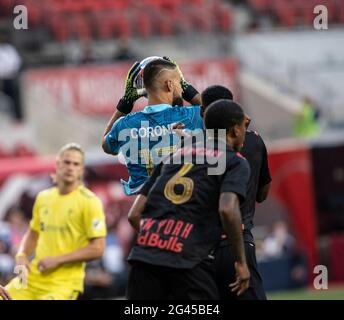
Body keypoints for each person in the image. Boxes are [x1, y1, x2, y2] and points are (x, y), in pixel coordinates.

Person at [126, 99, 250, 300]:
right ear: (235, 130)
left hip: (145, 257)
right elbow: (227, 209)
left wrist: (161, 240)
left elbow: (134, 215)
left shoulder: (174, 156)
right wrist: (241, 262)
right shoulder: (235, 162)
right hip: (188, 260)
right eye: (244, 127)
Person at [5, 143, 107, 300]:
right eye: (67, 162)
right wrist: (22, 254)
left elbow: (98, 249)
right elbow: (33, 232)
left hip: (63, 284)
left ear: (81, 169)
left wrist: (58, 260)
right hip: (32, 279)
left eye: (76, 164)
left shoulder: (90, 201)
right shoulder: (44, 197)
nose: (71, 168)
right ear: (58, 165)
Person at [200, 85, 272, 300]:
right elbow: (262, 194)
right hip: (239, 239)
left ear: (203, 112)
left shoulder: (194, 145)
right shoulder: (254, 141)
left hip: (202, 246)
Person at [102, 58, 202, 195]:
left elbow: (107, 147)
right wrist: (189, 91)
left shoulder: (125, 124)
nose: (182, 87)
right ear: (170, 85)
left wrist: (124, 105)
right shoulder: (189, 116)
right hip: (181, 202)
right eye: (180, 83)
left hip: (143, 208)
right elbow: (220, 112)